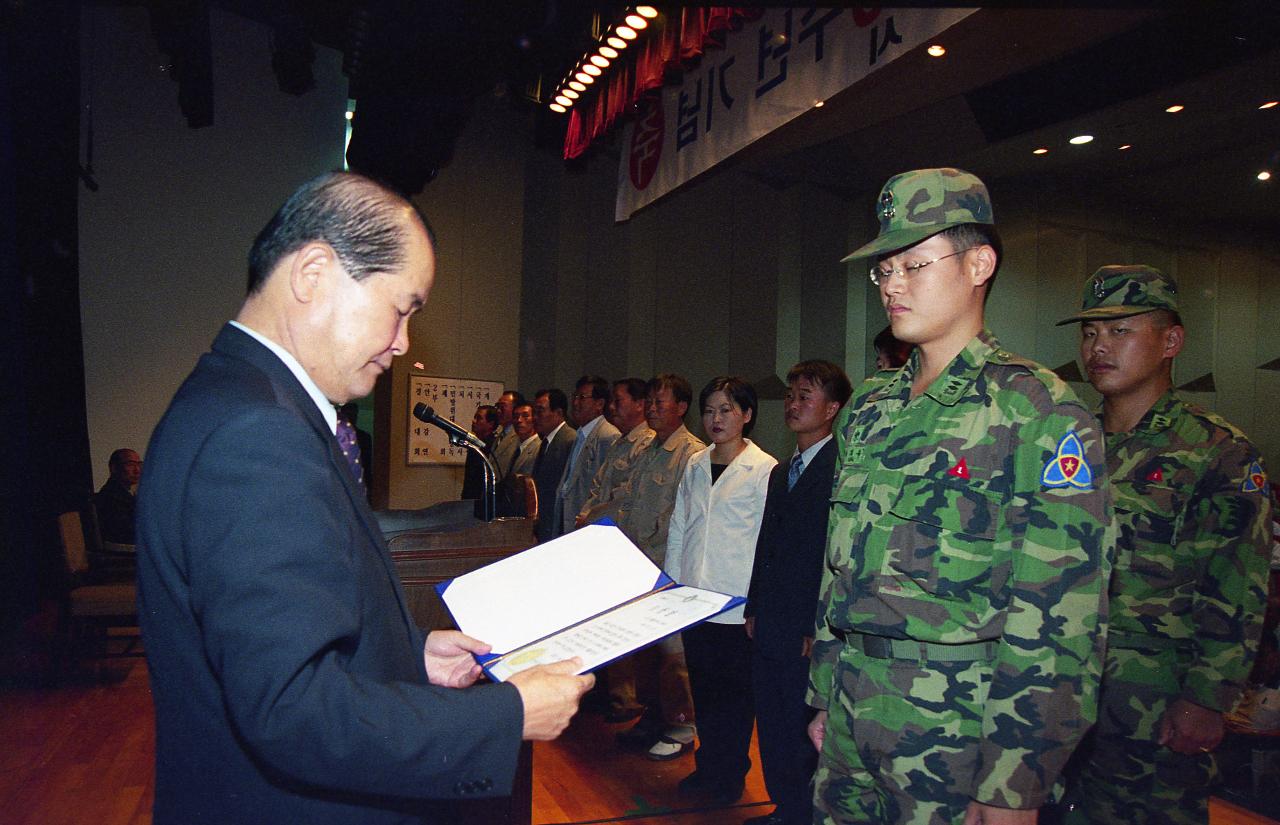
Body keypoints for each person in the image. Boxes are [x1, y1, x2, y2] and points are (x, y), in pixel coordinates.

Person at [136, 171, 592, 825]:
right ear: (314, 272)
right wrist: (508, 712)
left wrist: (410, 653)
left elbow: (293, 628)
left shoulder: (240, 397)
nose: (404, 341)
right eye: (401, 307)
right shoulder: (257, 431)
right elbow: (292, 707)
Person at [807, 168, 1113, 825]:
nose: (892, 283)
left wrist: (1014, 781)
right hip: (854, 714)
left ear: (979, 264)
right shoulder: (870, 405)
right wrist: (825, 695)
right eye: (883, 269)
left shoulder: (1037, 410)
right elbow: (840, 571)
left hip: (959, 731)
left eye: (913, 264)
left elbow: (1059, 616)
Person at [1055, 265, 1272, 825]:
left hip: (1154, 699)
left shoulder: (1215, 449)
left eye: (1120, 331)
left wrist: (1208, 695)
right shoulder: (1069, 441)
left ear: (1170, 342)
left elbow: (1238, 581)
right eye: (1090, 333)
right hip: (1062, 686)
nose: (1098, 347)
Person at [744, 360, 851, 825]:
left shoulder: (840, 469)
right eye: (790, 395)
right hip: (769, 616)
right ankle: (782, 807)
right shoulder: (782, 470)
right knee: (769, 719)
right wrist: (753, 604)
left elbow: (832, 556)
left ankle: (802, 814)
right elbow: (766, 543)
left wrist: (816, 624)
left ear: (832, 408)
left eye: (805, 396)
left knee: (798, 723)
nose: (792, 404)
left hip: (806, 624)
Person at [664, 376, 777, 802]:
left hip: (736, 604)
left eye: (726, 410)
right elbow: (681, 525)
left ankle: (729, 778)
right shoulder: (695, 463)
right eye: (709, 410)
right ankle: (709, 768)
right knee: (705, 694)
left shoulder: (764, 469)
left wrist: (758, 601)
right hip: (694, 599)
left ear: (747, 415)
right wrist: (672, 585)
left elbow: (767, 542)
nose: (715, 418)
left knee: (734, 699)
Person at [613, 374, 704, 757]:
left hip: (666, 568)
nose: (651, 408)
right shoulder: (647, 447)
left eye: (659, 402)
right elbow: (627, 499)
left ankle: (682, 726)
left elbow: (680, 517)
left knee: (673, 655)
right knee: (646, 651)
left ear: (681, 407)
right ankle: (654, 715)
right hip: (637, 566)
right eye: (649, 402)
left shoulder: (692, 453)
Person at [576, 377, 654, 532]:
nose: (611, 407)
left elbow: (626, 496)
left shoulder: (647, 443)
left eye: (618, 401)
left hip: (621, 533)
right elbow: (597, 487)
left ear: (639, 404)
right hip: (598, 529)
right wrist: (585, 515)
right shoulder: (619, 443)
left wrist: (591, 518)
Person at [553, 375, 620, 538]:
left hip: (585, 523)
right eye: (575, 396)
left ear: (600, 404)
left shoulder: (608, 436)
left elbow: (605, 489)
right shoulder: (580, 434)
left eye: (582, 398)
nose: (575, 403)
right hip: (567, 519)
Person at [531, 388, 576, 542]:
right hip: (543, 524)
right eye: (534, 412)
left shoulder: (569, 440)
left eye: (540, 411)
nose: (535, 417)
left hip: (555, 526)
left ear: (558, 413)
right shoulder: (547, 441)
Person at [94, 447, 142, 544]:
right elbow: (126, 533)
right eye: (130, 464)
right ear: (114, 468)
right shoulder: (110, 497)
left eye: (139, 464)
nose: (137, 470)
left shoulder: (129, 494)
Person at [460, 403, 499, 504]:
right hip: (470, 501)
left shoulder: (493, 447)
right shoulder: (474, 444)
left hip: (484, 502)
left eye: (479, 418)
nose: (474, 421)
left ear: (490, 424)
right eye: (475, 417)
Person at [491, 390, 524, 479]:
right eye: (497, 406)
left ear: (516, 409)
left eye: (502, 407)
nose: (498, 411)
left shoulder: (519, 436)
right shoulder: (499, 436)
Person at [505, 401, 540, 477]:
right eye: (516, 416)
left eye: (525, 416)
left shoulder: (539, 447)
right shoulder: (513, 445)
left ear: (535, 419)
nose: (519, 420)